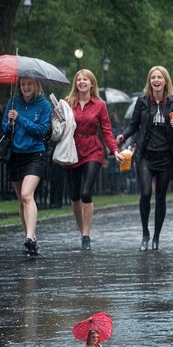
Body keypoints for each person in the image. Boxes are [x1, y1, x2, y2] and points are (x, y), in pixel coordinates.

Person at [120, 66, 173, 251]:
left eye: (159, 77)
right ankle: (145, 233)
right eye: (153, 77)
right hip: (145, 155)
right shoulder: (142, 101)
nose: (156, 80)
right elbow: (134, 125)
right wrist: (123, 136)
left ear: (165, 81)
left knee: (161, 197)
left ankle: (156, 237)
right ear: (150, 81)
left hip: (165, 156)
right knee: (146, 193)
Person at [62, 70, 117, 250]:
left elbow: (107, 131)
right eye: (79, 79)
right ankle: (82, 231)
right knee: (75, 195)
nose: (82, 82)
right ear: (75, 83)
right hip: (73, 151)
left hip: (93, 149)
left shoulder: (100, 105)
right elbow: (57, 126)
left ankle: (86, 235)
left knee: (86, 192)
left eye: (85, 79)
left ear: (92, 84)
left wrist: (114, 150)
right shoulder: (67, 102)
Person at [3, 75, 53, 256]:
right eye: (22, 84)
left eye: (29, 84)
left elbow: (41, 131)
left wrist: (20, 119)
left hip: (35, 154)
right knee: (22, 200)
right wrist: (9, 123)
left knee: (26, 194)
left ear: (36, 85)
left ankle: (31, 237)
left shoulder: (44, 104)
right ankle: (29, 239)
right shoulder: (13, 101)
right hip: (16, 155)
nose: (25, 87)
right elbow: (5, 130)